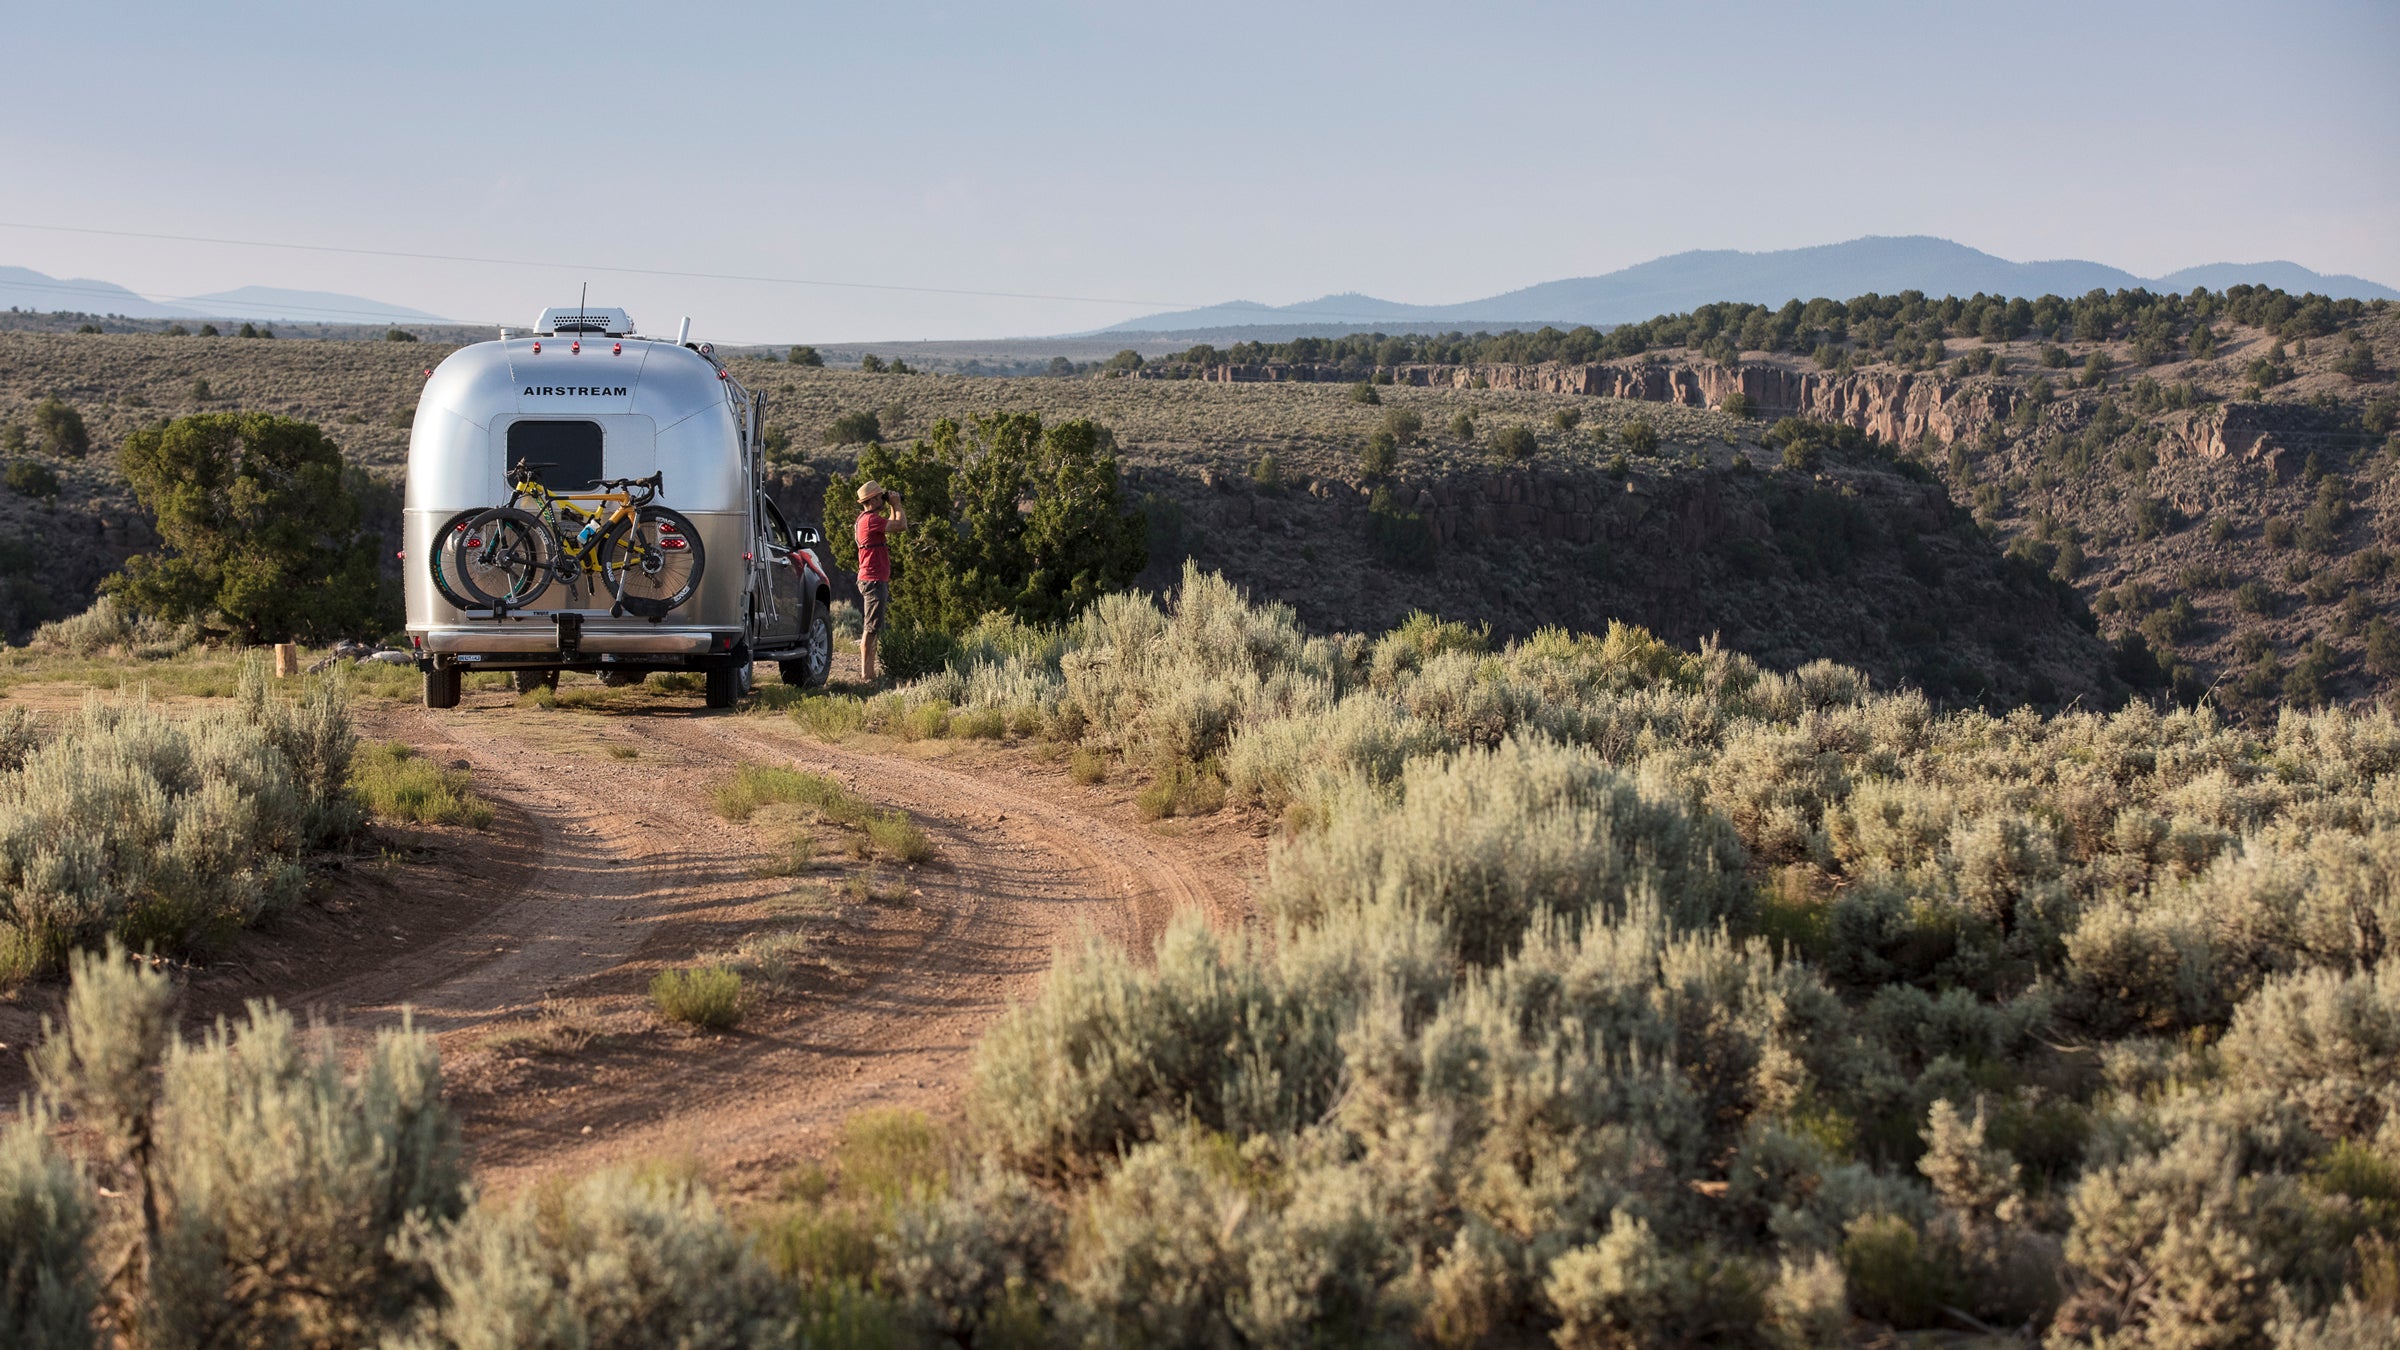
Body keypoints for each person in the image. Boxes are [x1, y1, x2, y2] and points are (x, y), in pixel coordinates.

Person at [854, 479, 906, 682]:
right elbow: (901, 526)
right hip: (873, 579)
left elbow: (892, 526)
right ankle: (867, 676)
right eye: (881, 496)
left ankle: (868, 673)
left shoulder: (865, 519)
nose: (883, 499)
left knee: (872, 627)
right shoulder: (871, 520)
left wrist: (893, 506)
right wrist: (897, 504)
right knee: (871, 628)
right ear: (873, 499)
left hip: (871, 577)